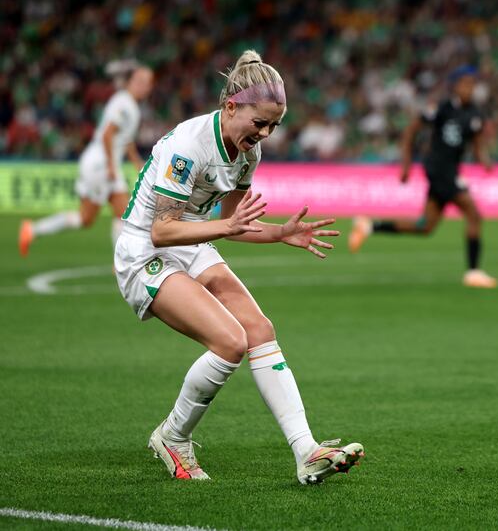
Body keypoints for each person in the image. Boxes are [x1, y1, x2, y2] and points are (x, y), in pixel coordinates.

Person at [114, 50, 364, 482]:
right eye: (259, 122)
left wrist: (280, 233)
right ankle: (173, 437)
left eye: (274, 126)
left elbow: (235, 224)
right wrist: (226, 226)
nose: (265, 133)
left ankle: (306, 450)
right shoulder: (187, 147)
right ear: (230, 106)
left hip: (190, 238)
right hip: (145, 251)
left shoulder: (248, 154)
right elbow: (162, 231)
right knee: (230, 342)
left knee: (260, 330)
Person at [348, 65, 498, 288]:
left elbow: (476, 146)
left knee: (425, 226)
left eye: (472, 84)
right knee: (473, 214)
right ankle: (473, 272)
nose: (469, 88)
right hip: (438, 168)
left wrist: (484, 160)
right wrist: (406, 163)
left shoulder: (475, 114)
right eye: (465, 83)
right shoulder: (442, 108)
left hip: (451, 170)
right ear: (455, 86)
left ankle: (369, 226)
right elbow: (411, 130)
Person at [18, 62, 154, 256]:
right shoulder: (124, 103)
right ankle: (32, 230)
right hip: (101, 164)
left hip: (105, 163)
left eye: (148, 83)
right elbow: (108, 134)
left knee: (116, 214)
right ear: (130, 82)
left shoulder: (129, 105)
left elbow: (126, 140)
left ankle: (121, 262)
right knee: (94, 217)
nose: (145, 86)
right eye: (141, 81)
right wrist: (110, 167)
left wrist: (136, 162)